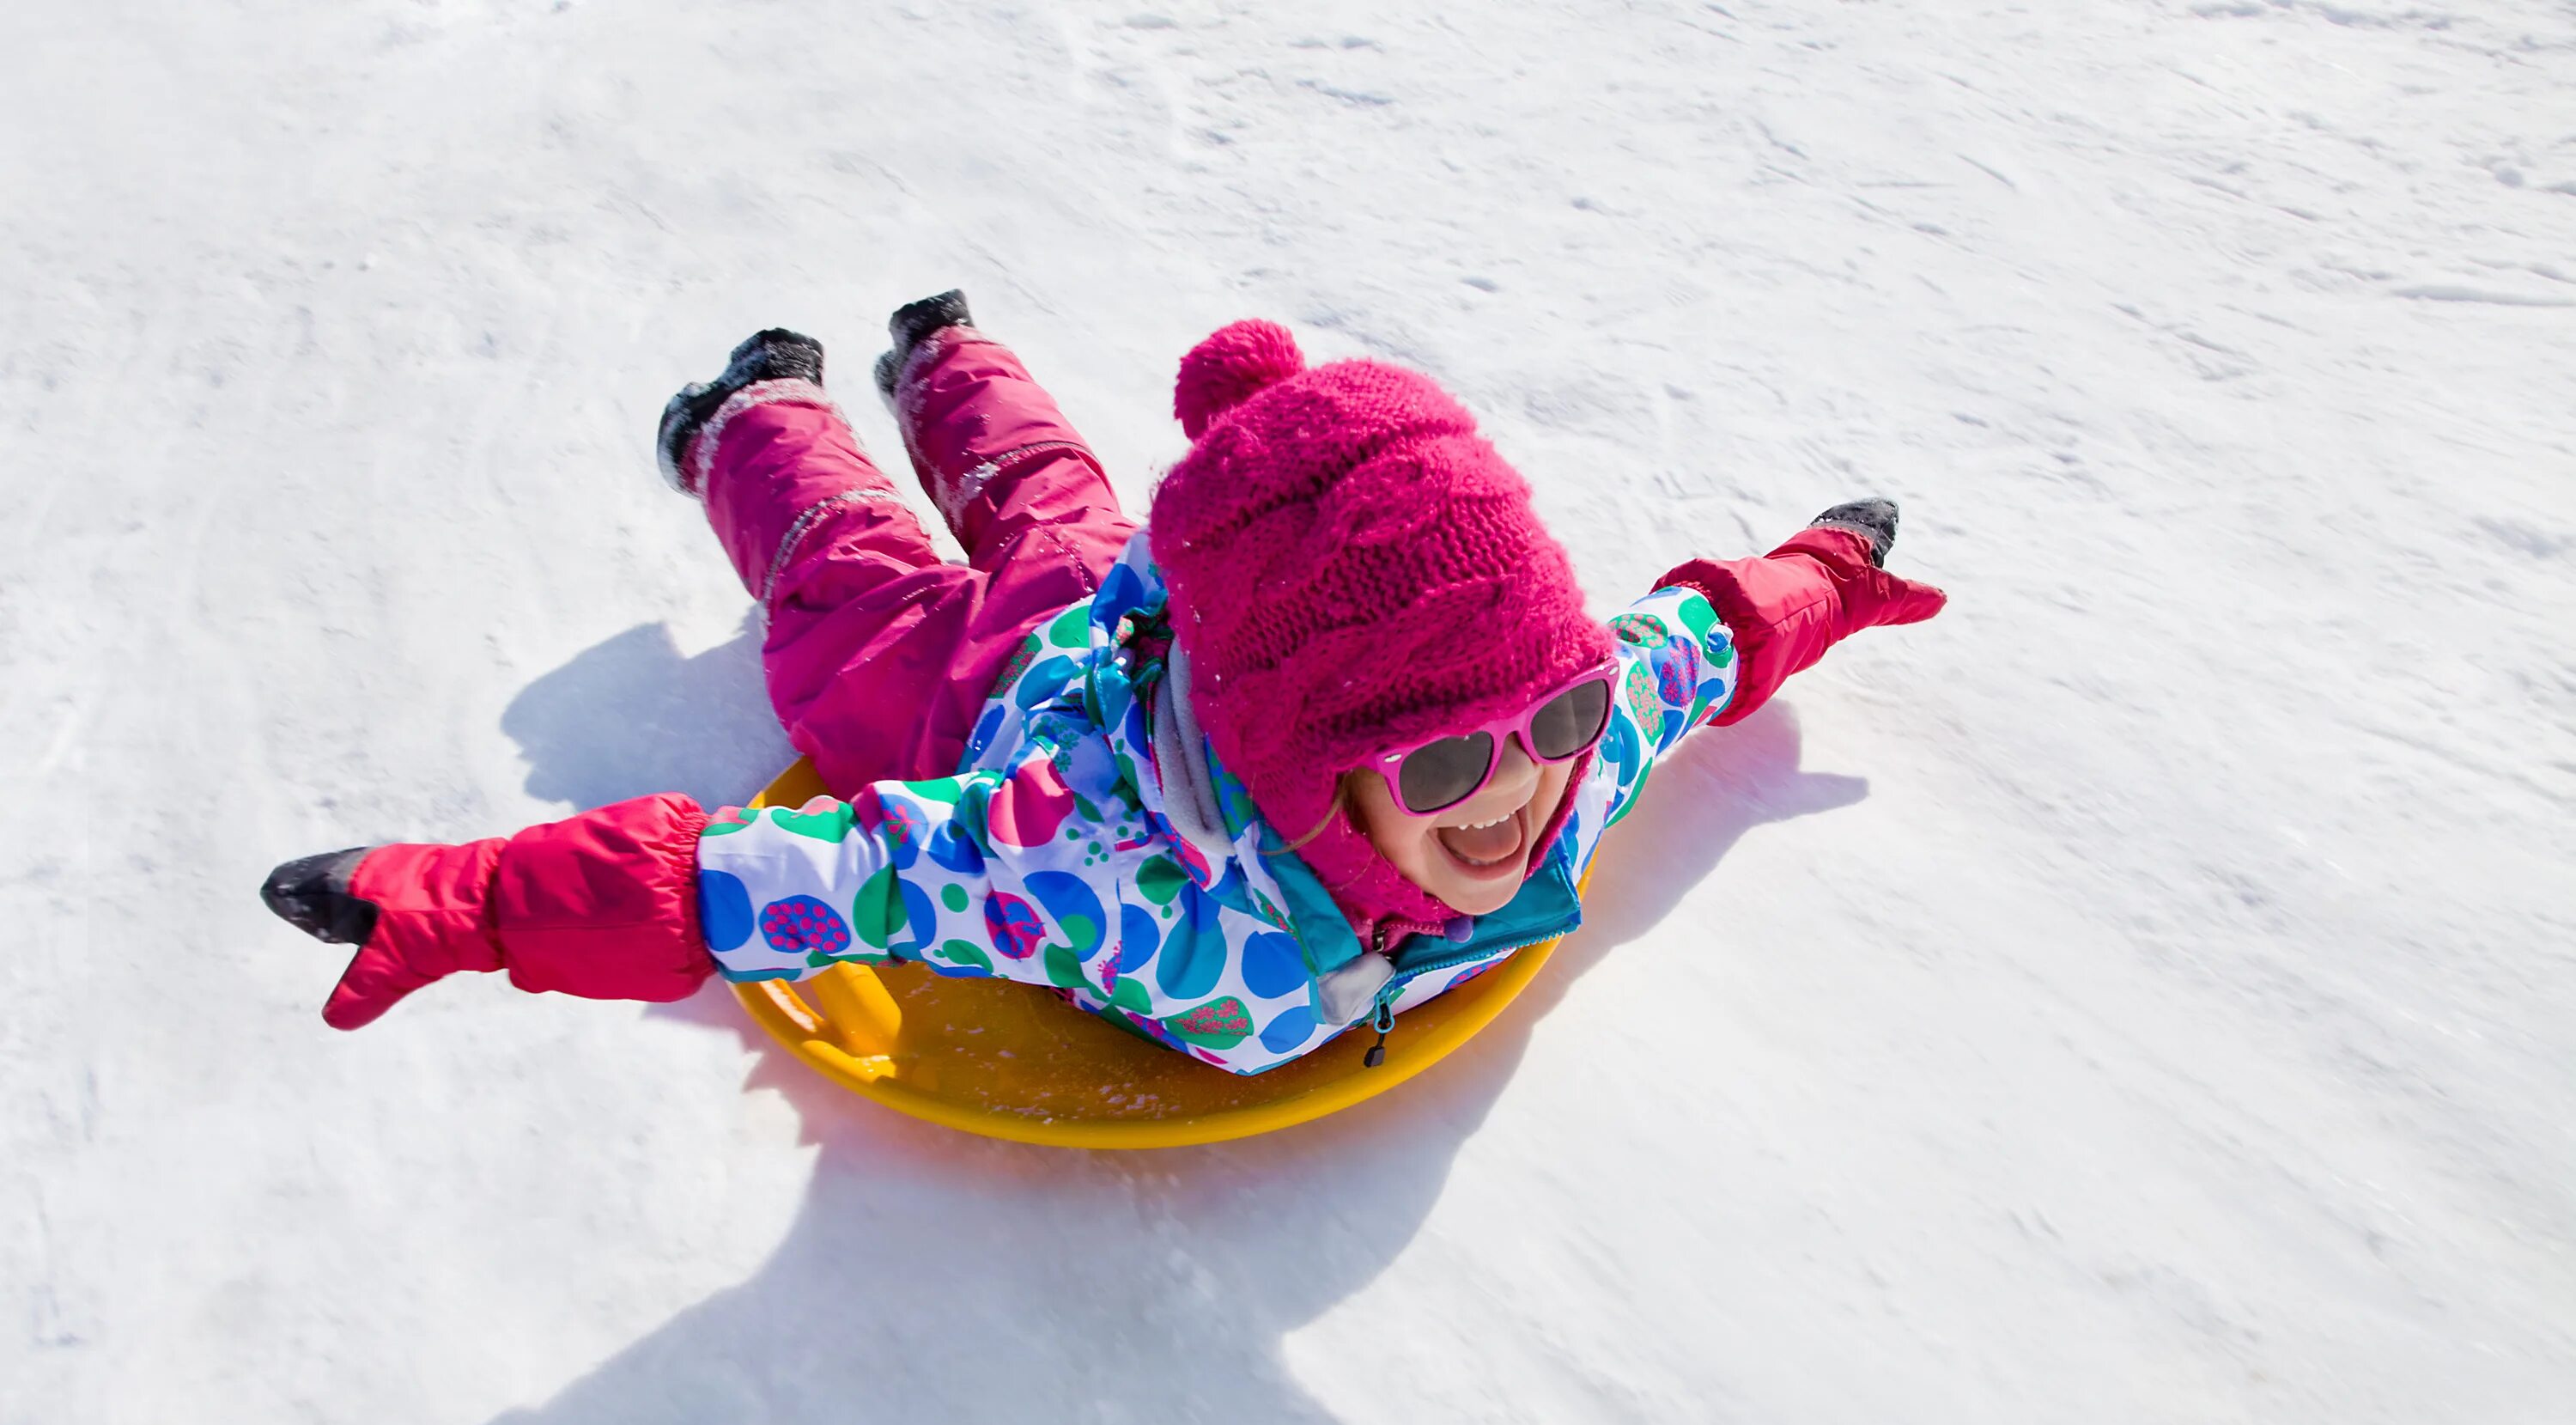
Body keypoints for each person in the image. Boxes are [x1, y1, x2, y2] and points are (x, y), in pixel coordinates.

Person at [263, 295, 1947, 1073]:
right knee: (851, 583)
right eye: (1442, 768)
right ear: (1311, 771)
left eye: (1555, 720)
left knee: (1060, 506)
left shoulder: (1565, 743)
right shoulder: (1109, 880)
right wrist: (493, 898)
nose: (1519, 793)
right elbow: (811, 876)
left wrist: (1825, 575)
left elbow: (1683, 647)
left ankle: (950, 359)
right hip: (978, 700)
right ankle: (747, 414)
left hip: (1142, 602)